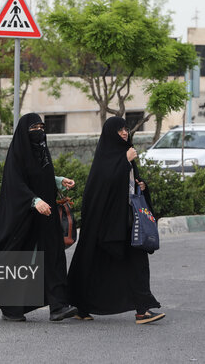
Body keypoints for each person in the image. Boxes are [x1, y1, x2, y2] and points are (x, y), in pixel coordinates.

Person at [0, 113, 77, 322]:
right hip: (25, 218)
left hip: (46, 215)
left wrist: (58, 180)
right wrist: (34, 201)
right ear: (24, 133)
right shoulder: (17, 155)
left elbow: (40, 175)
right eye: (34, 128)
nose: (39, 132)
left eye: (41, 127)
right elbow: (15, 183)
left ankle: (58, 306)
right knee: (19, 260)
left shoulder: (41, 152)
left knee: (54, 256)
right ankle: (10, 307)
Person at [67, 116, 164, 324]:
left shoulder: (125, 156)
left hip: (127, 222)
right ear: (110, 133)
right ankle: (81, 306)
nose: (124, 132)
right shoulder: (108, 158)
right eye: (119, 130)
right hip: (106, 224)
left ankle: (142, 309)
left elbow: (129, 186)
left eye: (126, 129)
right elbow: (103, 184)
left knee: (137, 262)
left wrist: (142, 185)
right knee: (93, 264)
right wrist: (125, 161)